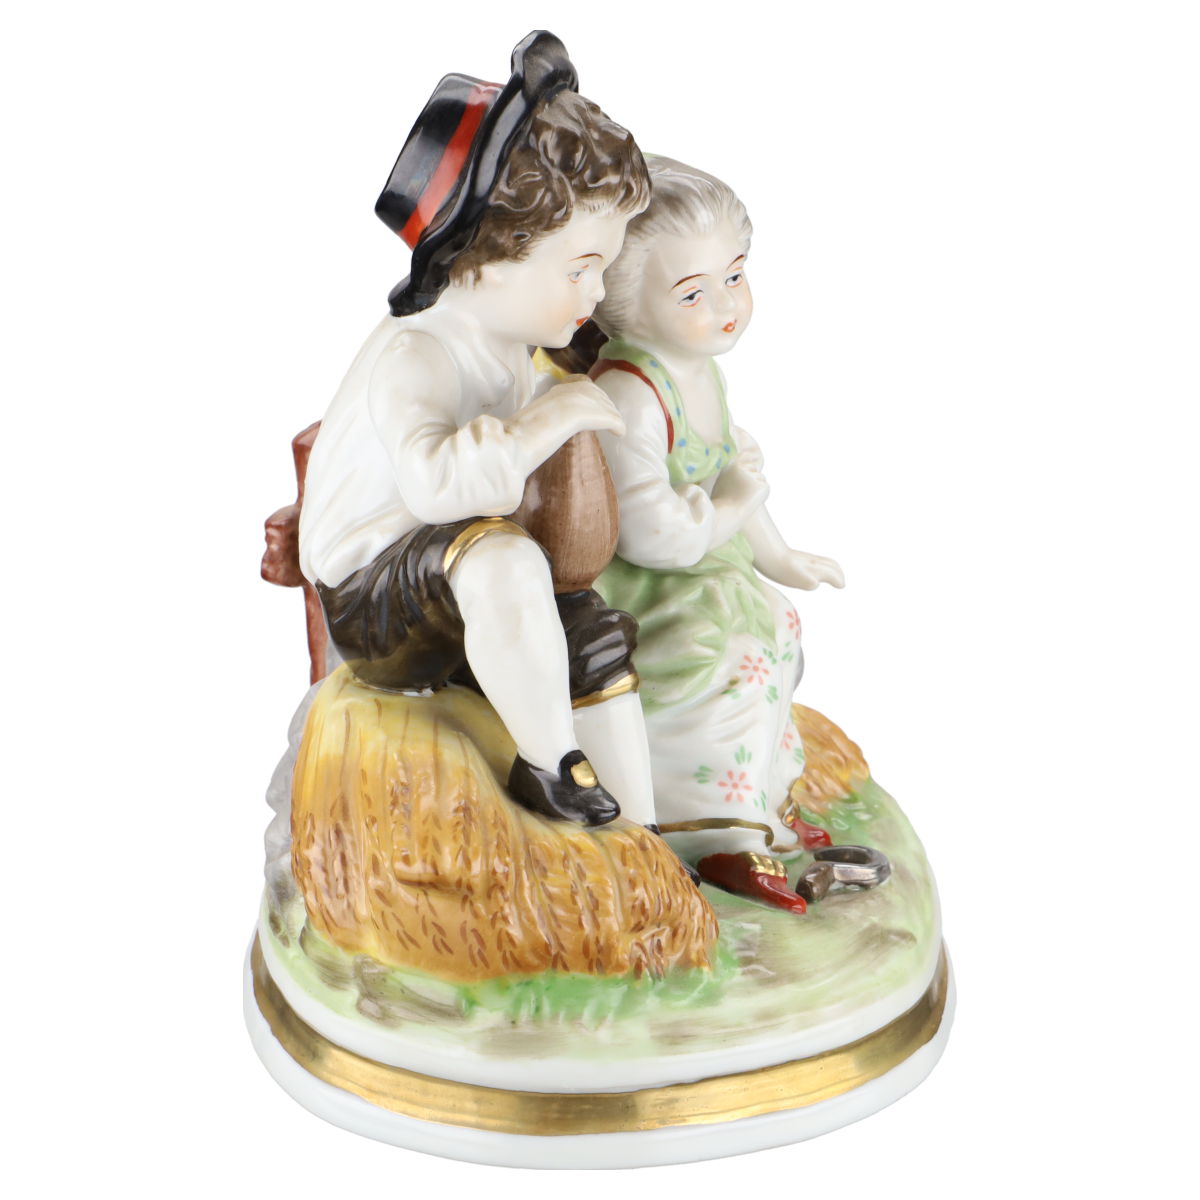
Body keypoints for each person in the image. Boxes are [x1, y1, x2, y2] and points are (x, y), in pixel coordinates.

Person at [298, 33, 657, 829]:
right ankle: (550, 765)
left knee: (589, 627)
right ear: (486, 258)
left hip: (454, 587)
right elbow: (437, 487)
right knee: (501, 558)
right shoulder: (418, 354)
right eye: (580, 269)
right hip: (372, 599)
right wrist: (547, 418)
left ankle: (644, 833)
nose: (595, 292)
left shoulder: (508, 341)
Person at [586, 157, 844, 911]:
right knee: (731, 661)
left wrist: (781, 556)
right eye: (694, 293)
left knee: (780, 630)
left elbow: (731, 471)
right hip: (650, 588)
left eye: (735, 276)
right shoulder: (631, 396)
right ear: (625, 302)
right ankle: (710, 831)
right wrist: (732, 504)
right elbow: (655, 536)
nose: (727, 305)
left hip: (710, 570)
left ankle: (765, 803)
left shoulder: (700, 371)